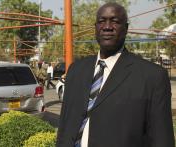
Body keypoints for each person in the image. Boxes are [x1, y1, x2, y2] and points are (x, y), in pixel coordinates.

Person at [57, 2, 174, 147]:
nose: (107, 27)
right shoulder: (76, 70)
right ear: (96, 28)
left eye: (115, 21)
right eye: (101, 21)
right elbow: (64, 125)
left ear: (126, 29)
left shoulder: (152, 77)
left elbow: (162, 139)